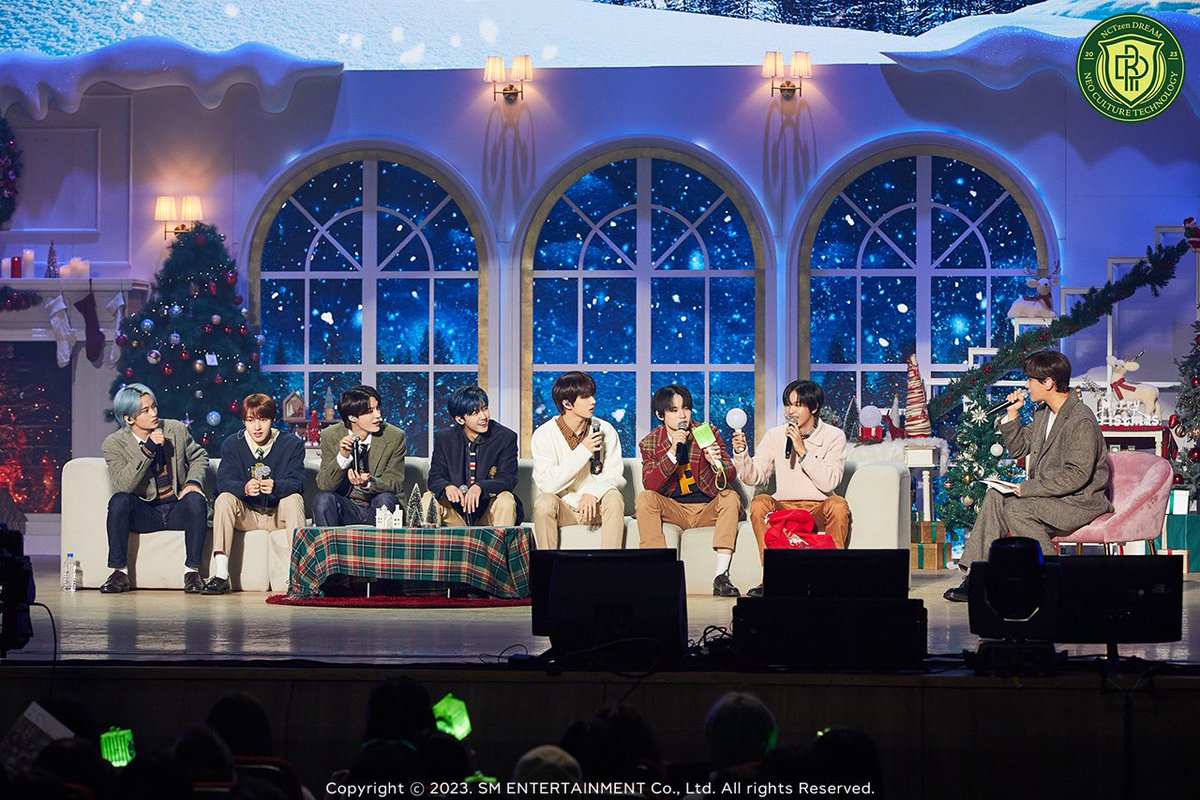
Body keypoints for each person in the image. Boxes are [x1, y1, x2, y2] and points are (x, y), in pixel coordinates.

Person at [945, 350, 1112, 602]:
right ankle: (977, 577)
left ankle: (1055, 578)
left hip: (1078, 501)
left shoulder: (1081, 420)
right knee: (994, 496)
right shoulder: (1044, 413)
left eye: (1031, 379)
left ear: (1048, 382)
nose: (1026, 385)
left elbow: (1077, 476)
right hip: (1052, 497)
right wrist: (1013, 414)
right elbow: (1020, 448)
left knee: (1016, 509)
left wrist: (1027, 488)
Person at [733, 379, 849, 597]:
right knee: (759, 503)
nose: (790, 411)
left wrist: (802, 451)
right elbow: (755, 477)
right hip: (785, 507)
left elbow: (829, 483)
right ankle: (771, 577)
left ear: (814, 407)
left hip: (819, 507)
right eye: (788, 404)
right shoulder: (775, 435)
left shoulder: (834, 436)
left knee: (839, 505)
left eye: (797, 405)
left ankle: (832, 577)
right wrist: (742, 455)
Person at [635, 384, 743, 597]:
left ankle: (721, 576)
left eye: (686, 408)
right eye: (674, 410)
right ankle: (657, 574)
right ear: (660, 415)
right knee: (645, 498)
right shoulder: (650, 443)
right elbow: (651, 484)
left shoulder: (705, 432)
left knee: (730, 496)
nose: (682, 415)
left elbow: (730, 474)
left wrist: (716, 463)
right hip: (675, 509)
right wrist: (672, 452)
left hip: (706, 508)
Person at [101, 383, 209, 594]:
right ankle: (119, 573)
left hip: (176, 507)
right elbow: (123, 485)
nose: (154, 414)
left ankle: (192, 572)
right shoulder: (113, 444)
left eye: (154, 407)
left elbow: (199, 456)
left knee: (196, 499)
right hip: (146, 512)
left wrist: (192, 483)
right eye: (145, 411)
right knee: (118, 501)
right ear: (129, 419)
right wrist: (148, 449)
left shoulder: (174, 429)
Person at [204, 394, 306, 594]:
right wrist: (244, 488)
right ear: (244, 421)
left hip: (277, 514)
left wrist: (276, 486)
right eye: (250, 420)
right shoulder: (232, 444)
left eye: (263, 420)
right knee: (224, 499)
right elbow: (223, 482)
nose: (257, 427)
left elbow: (298, 483)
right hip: (248, 514)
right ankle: (221, 575)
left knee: (294, 499)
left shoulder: (291, 444)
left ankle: (301, 576)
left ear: (272, 420)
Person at [530, 371, 626, 549]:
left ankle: (610, 563)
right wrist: (583, 450)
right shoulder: (544, 434)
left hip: (596, 506)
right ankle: (547, 564)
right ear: (567, 403)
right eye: (585, 397)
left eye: (592, 395)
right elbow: (548, 485)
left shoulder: (605, 429)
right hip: (566, 508)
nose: (593, 401)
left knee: (614, 497)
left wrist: (592, 493)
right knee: (544, 502)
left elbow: (615, 475)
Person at [424, 385, 521, 526]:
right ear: (460, 419)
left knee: (506, 499)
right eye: (475, 413)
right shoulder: (444, 439)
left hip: (488, 514)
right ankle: (429, 541)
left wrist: (480, 487)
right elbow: (435, 477)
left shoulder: (505, 437)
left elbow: (508, 479)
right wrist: (447, 486)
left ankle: (500, 541)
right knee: (428, 498)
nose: (484, 417)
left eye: (485, 409)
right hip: (456, 515)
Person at [313, 385, 405, 527]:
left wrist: (367, 482)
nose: (378, 415)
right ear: (352, 417)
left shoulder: (394, 436)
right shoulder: (330, 436)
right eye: (370, 411)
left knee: (385, 499)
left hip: (378, 504)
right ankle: (328, 542)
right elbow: (325, 484)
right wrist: (343, 457)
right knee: (323, 499)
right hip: (346, 507)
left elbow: (395, 483)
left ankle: (382, 542)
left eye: (378, 408)